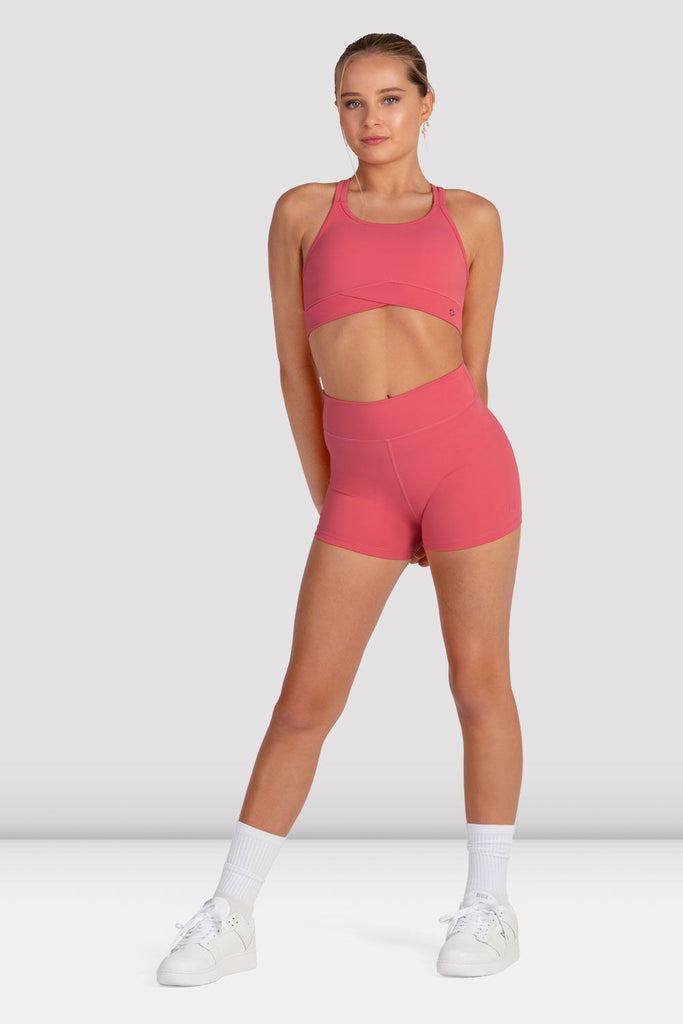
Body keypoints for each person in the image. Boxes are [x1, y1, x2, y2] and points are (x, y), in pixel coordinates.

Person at [157, 31, 523, 986]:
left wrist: (437, 493)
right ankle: (231, 913)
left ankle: (490, 906)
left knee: (478, 682)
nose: (370, 119)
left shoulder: (474, 218)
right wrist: (334, 494)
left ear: (426, 105)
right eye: (351, 102)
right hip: (360, 482)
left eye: (389, 99)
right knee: (303, 702)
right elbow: (292, 368)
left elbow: (476, 369)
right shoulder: (300, 212)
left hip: (465, 465)